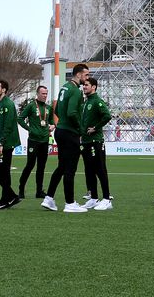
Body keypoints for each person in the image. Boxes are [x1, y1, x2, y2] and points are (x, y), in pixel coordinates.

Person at [42, 62, 90, 213]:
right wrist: (80, 130)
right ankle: (70, 203)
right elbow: (72, 113)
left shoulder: (65, 87)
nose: (87, 77)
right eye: (86, 74)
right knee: (70, 168)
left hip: (60, 130)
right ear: (78, 74)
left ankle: (49, 198)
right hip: (69, 133)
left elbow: (57, 111)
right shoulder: (75, 91)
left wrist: (63, 122)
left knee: (62, 166)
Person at [80, 76, 113, 211]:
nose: (84, 87)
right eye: (83, 85)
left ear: (93, 87)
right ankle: (94, 198)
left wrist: (95, 128)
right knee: (89, 171)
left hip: (96, 142)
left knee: (100, 170)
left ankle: (106, 199)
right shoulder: (86, 102)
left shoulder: (97, 101)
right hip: (86, 142)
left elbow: (107, 116)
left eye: (87, 85)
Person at [0, 79, 20, 209]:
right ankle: (11, 197)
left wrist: (0, 144)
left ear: (4, 90)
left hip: (5, 144)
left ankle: (6, 199)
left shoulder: (7, 104)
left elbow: (7, 126)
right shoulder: (0, 104)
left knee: (2, 172)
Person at [17, 85, 52, 199]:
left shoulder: (48, 108)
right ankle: (21, 189)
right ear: (37, 94)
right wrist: (29, 129)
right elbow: (20, 118)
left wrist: (53, 126)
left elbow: (51, 121)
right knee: (30, 165)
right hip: (33, 141)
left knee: (41, 167)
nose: (45, 96)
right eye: (43, 93)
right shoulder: (31, 106)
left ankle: (39, 191)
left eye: (46, 94)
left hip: (44, 140)